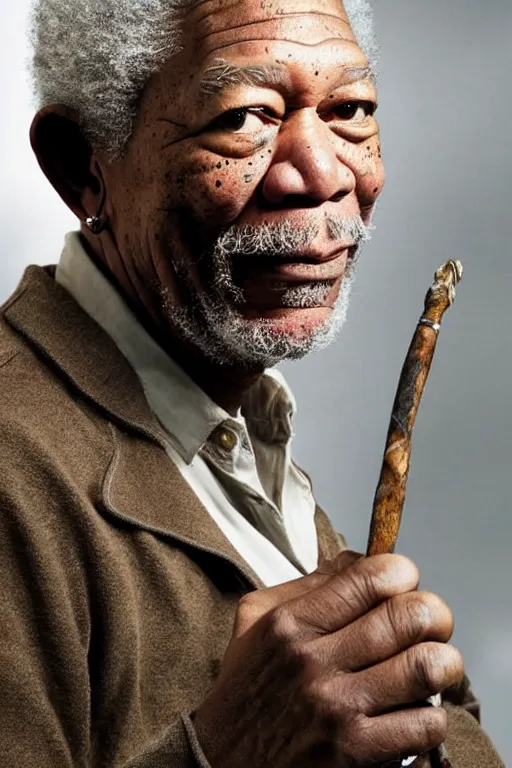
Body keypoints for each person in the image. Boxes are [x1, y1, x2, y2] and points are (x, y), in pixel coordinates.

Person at [0, 0, 504, 766]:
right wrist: (225, 753)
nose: (322, 175)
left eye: (352, 110)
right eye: (244, 117)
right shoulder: (18, 461)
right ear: (83, 167)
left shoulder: (241, 447)